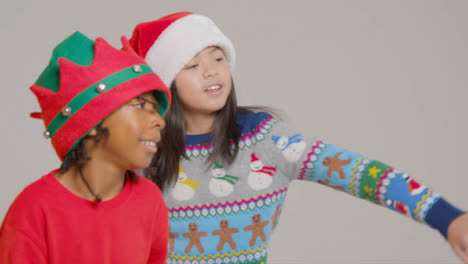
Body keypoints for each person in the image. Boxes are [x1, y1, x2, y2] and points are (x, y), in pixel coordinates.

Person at [129, 12, 468, 264]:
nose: (212, 70)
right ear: (166, 81)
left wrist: (447, 217)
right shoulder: (143, 150)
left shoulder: (265, 139)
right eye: (191, 65)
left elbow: (358, 172)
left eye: (218, 58)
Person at [0, 31, 171, 263]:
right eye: (140, 105)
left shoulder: (150, 201)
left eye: (155, 108)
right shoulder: (33, 209)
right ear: (91, 121)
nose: (159, 120)